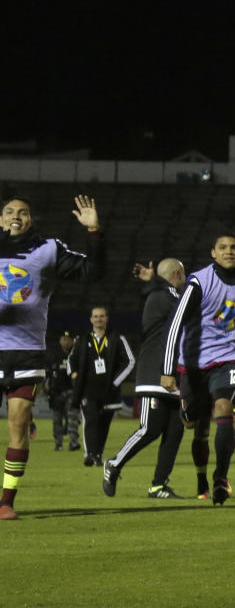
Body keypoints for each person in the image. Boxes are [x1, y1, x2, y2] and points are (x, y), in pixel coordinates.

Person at [0, 194, 102, 519]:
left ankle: (6, 502)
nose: (16, 216)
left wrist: (94, 231)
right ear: (1, 219)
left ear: (31, 219)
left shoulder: (48, 249)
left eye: (23, 212)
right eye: (10, 212)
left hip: (27, 353)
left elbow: (93, 271)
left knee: (17, 423)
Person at [162, 233, 235, 505]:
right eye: (223, 248)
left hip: (230, 359)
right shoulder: (199, 282)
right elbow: (175, 323)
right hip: (193, 363)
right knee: (194, 422)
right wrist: (167, 368)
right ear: (213, 253)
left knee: (225, 409)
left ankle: (220, 478)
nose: (229, 251)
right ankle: (202, 478)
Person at [102, 259, 188, 499]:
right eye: (184, 274)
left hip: (175, 373)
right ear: (177, 274)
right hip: (155, 373)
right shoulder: (163, 297)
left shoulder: (166, 296)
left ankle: (159, 485)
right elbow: (176, 309)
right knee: (150, 428)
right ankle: (114, 463)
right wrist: (153, 282)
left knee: (174, 432)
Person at [69, 307, 135, 466]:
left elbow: (130, 361)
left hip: (109, 391)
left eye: (102, 316)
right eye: (95, 316)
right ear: (91, 319)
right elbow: (72, 359)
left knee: (103, 425)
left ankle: (98, 455)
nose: (98, 319)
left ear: (107, 319)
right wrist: (74, 374)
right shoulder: (83, 339)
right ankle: (90, 454)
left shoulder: (117, 338)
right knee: (90, 420)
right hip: (87, 390)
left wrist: (115, 382)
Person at [45, 332, 81, 451]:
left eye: (68, 339)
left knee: (72, 419)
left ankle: (73, 442)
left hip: (71, 392)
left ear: (72, 341)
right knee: (57, 420)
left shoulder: (76, 355)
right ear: (60, 341)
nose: (66, 341)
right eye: (63, 339)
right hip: (56, 393)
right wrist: (45, 387)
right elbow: (47, 373)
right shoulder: (54, 356)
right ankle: (58, 443)